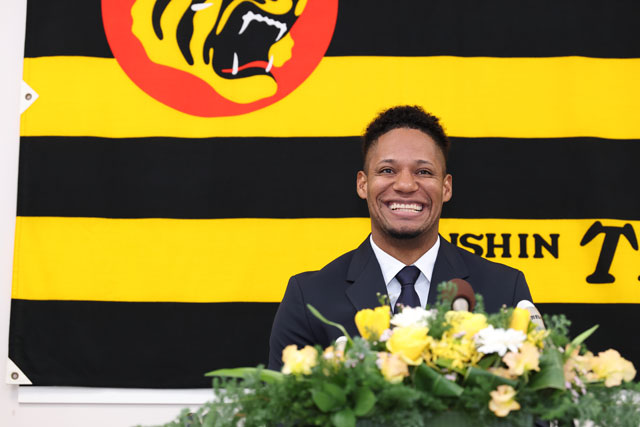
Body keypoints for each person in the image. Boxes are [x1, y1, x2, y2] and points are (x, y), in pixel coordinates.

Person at [268, 105, 533, 370]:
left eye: (423, 172)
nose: (405, 185)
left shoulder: (505, 290)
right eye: (387, 170)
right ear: (363, 184)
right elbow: (285, 395)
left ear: (446, 187)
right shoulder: (309, 298)